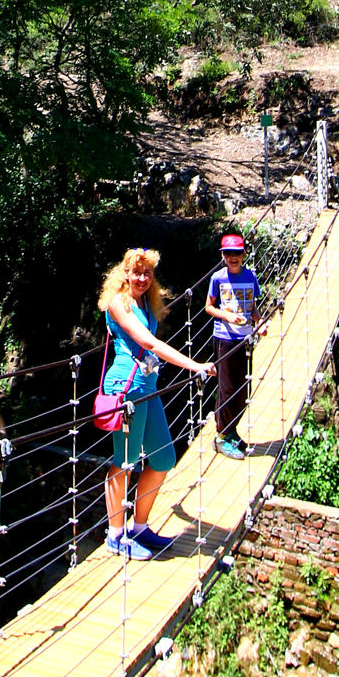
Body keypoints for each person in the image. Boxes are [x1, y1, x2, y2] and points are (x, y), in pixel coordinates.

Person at [98, 247, 211, 559]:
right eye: (136, 272)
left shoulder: (146, 301)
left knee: (163, 458)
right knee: (124, 462)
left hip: (147, 386)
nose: (142, 278)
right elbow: (148, 342)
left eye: (147, 273)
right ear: (125, 273)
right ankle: (115, 534)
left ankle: (140, 527)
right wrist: (194, 365)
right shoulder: (118, 302)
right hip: (125, 388)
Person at [205, 229, 262, 458]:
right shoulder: (217, 278)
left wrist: (260, 322)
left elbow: (252, 307)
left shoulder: (251, 277)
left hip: (245, 337)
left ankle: (231, 431)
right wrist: (226, 316)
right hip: (225, 338)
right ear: (223, 255)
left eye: (237, 253)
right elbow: (209, 307)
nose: (233, 257)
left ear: (244, 254)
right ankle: (221, 436)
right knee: (227, 387)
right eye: (228, 253)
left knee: (243, 388)